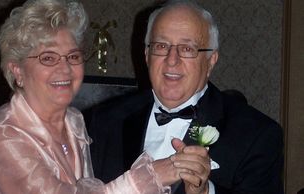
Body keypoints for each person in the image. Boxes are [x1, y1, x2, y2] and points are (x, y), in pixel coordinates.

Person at [0, 0, 207, 193]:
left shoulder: (74, 121)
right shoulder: (2, 135)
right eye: (48, 58)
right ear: (17, 70)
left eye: (72, 56)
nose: (65, 69)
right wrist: (153, 175)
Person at [85, 0, 284, 194]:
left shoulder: (257, 135)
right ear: (147, 55)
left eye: (187, 49)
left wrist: (206, 192)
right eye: (162, 46)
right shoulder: (104, 120)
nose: (172, 60)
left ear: (211, 60)